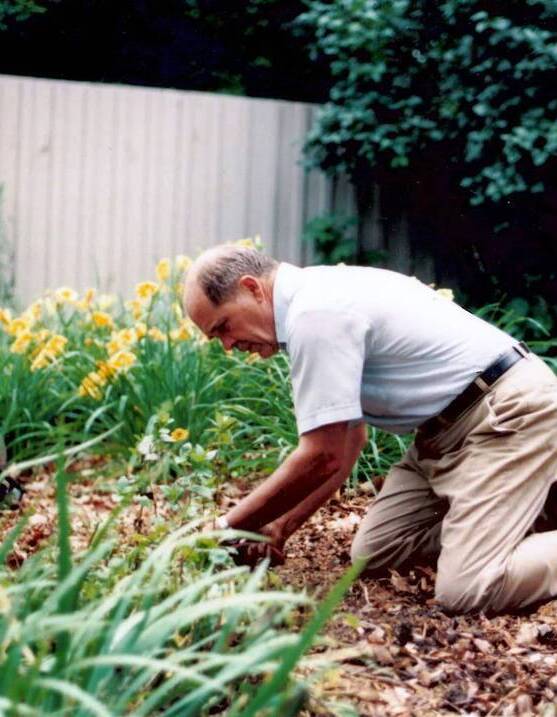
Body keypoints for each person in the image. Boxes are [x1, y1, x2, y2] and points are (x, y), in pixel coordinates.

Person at [183, 244, 557, 614]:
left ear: (252, 288)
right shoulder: (316, 299)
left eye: (224, 327)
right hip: (444, 433)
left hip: (507, 414)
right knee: (378, 551)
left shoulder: (315, 315)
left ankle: (511, 520)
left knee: (468, 589)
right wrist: (280, 526)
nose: (229, 345)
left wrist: (224, 528)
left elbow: (321, 456)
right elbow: (347, 443)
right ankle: (529, 509)